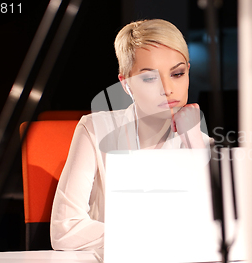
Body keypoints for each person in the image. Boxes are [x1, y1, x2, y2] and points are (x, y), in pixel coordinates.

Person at [50, 19, 211, 250]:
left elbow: (217, 234)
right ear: (125, 84)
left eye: (177, 73)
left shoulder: (200, 144)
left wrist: (195, 145)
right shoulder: (95, 129)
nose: (167, 89)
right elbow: (64, 230)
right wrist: (155, 237)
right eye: (149, 78)